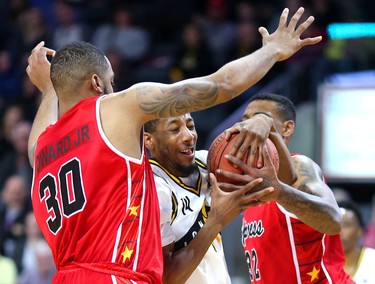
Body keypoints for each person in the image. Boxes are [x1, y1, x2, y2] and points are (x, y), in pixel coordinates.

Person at [26, 7, 321, 283]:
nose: (114, 88)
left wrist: (49, 89)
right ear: (97, 83)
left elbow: (40, 130)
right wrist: (272, 50)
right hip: (116, 274)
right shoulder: (115, 107)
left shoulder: (41, 149)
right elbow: (222, 85)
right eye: (111, 80)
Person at [216, 93, 353, 283]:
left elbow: (333, 221)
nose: (249, 127)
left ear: (286, 128)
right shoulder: (249, 182)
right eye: (245, 120)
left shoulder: (300, 165)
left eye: (259, 119)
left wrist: (279, 191)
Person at [144, 113, 276, 284]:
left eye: (190, 126)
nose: (188, 136)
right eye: (175, 129)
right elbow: (166, 278)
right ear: (149, 140)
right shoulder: (152, 188)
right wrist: (216, 221)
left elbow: (279, 184)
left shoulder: (206, 162)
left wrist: (263, 121)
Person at [338, 200, 375, 283]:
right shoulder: (319, 263)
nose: (339, 231)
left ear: (360, 231)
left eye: (346, 225)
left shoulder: (372, 259)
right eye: (336, 225)